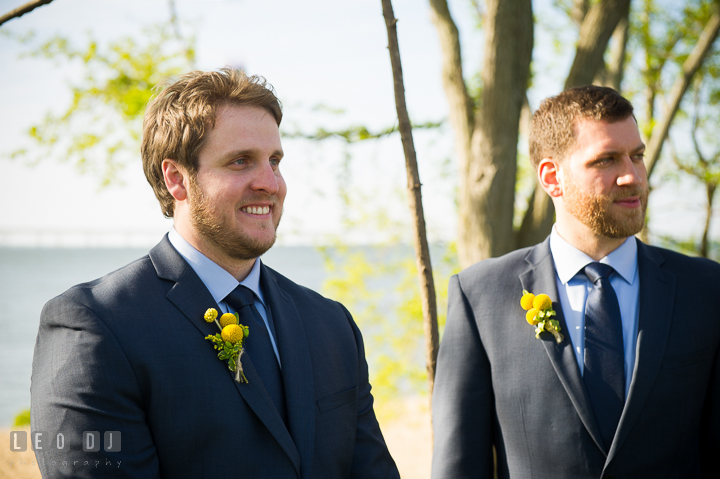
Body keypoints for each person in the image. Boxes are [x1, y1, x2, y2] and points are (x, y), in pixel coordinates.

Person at [31, 68, 399, 479]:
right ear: (177, 179)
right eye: (241, 161)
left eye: (274, 161)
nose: (270, 183)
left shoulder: (331, 324)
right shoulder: (95, 326)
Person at [431, 85, 720, 478]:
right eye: (607, 160)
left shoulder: (706, 289)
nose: (632, 177)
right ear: (552, 177)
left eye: (637, 156)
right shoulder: (480, 296)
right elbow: (459, 466)